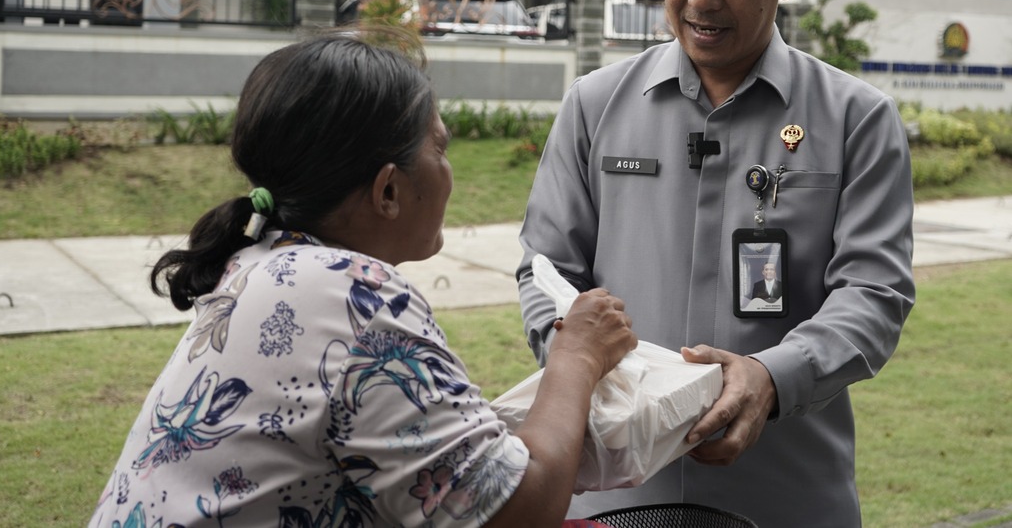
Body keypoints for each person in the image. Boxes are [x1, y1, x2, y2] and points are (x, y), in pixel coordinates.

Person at [516, 0, 916, 525]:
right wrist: (583, 361)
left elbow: (874, 294)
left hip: (783, 498)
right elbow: (544, 271)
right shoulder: (594, 105)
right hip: (616, 494)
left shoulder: (856, 119)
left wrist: (771, 377)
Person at [90, 30, 637, 528]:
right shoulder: (352, 297)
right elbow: (518, 512)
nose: (450, 171)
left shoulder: (261, 261)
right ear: (388, 192)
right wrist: (576, 358)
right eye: (439, 149)